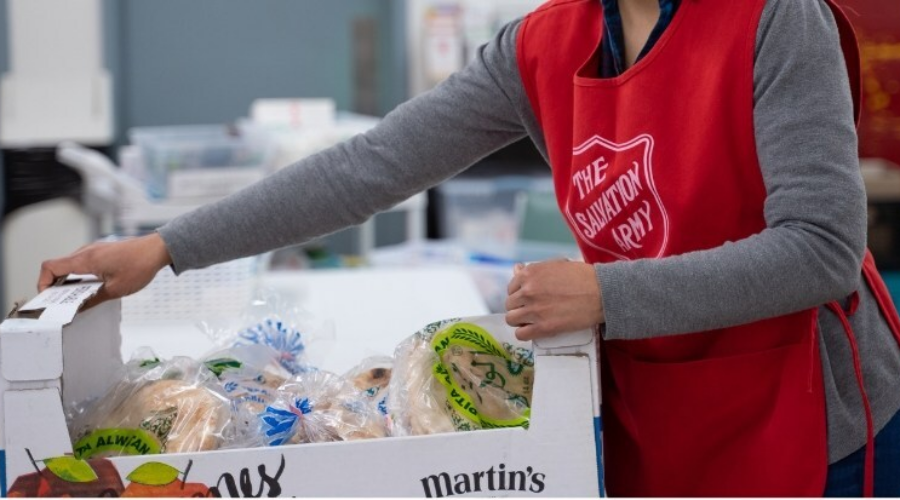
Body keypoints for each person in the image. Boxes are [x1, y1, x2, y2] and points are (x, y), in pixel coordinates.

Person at [38, 0, 900, 496]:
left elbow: (820, 248)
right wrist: (164, 247)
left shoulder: (774, 20)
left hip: (817, 416)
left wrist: (606, 295)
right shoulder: (544, 43)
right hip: (660, 401)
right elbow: (371, 167)